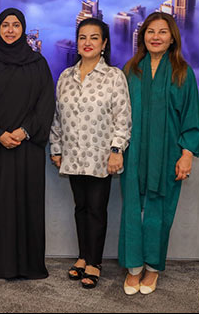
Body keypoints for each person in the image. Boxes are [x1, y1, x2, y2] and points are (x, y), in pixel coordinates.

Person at [0, 8, 55, 280]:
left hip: (27, 148)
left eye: (16, 25)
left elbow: (45, 104)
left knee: (26, 204)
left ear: (23, 29)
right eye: (5, 25)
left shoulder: (38, 63)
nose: (9, 30)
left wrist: (24, 131)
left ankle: (26, 264)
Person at [119, 12, 199, 295]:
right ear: (142, 37)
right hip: (133, 152)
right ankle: (133, 268)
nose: (155, 37)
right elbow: (118, 114)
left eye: (162, 32)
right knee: (132, 210)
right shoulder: (131, 69)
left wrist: (187, 153)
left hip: (167, 155)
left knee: (159, 211)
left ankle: (152, 269)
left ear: (172, 37)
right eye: (150, 31)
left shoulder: (183, 72)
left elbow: (191, 116)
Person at [50, 18, 131, 289]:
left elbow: (123, 118)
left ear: (104, 43)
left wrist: (117, 150)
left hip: (101, 156)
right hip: (73, 154)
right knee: (81, 208)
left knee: (96, 209)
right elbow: (57, 117)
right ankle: (83, 257)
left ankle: (95, 263)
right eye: (82, 37)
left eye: (94, 37)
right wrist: (56, 148)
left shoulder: (114, 77)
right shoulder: (65, 77)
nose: (87, 42)